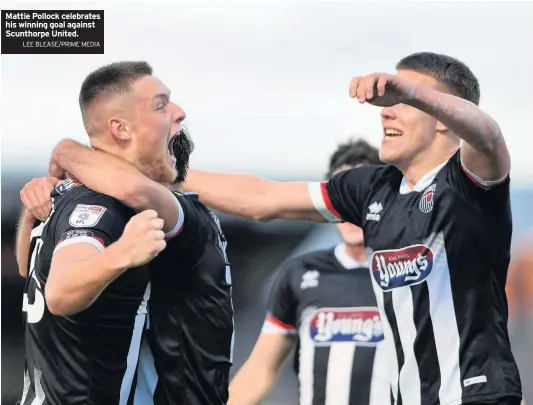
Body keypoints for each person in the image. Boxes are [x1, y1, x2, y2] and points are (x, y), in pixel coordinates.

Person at [182, 52, 523, 405]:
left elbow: (489, 134)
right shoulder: (373, 188)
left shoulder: (470, 184)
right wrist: (170, 176)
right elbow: (263, 198)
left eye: (401, 102)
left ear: (441, 118)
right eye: (391, 101)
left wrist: (414, 93)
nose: (386, 110)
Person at [19, 61, 234, 405]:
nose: (178, 114)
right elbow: (58, 293)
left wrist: (64, 154)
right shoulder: (111, 206)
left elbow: (26, 266)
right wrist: (122, 253)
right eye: (161, 105)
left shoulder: (67, 195)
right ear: (121, 128)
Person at [228, 139, 392, 405]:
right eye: (342, 197)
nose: (350, 210)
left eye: (359, 196)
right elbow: (260, 371)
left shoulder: (410, 274)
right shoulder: (301, 274)